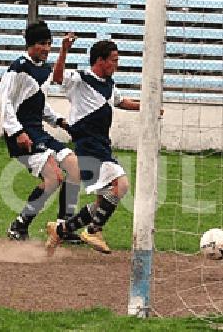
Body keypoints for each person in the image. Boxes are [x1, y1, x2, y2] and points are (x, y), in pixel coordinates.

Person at [45, 36, 154, 256]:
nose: (117, 64)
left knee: (102, 202)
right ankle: (94, 230)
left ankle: (60, 230)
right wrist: (64, 50)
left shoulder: (109, 85)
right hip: (88, 146)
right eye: (113, 60)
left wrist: (149, 107)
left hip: (102, 146)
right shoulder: (80, 79)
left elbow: (122, 102)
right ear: (100, 60)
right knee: (121, 186)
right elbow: (57, 78)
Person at [0, 20, 83, 244]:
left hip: (38, 132)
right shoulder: (18, 68)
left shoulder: (43, 70)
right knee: (54, 178)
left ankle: (63, 228)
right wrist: (17, 132)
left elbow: (38, 103)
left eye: (49, 43)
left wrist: (60, 121)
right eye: (41, 44)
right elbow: (5, 102)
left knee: (74, 167)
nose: (46, 48)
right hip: (22, 136)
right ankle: (19, 225)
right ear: (30, 45)